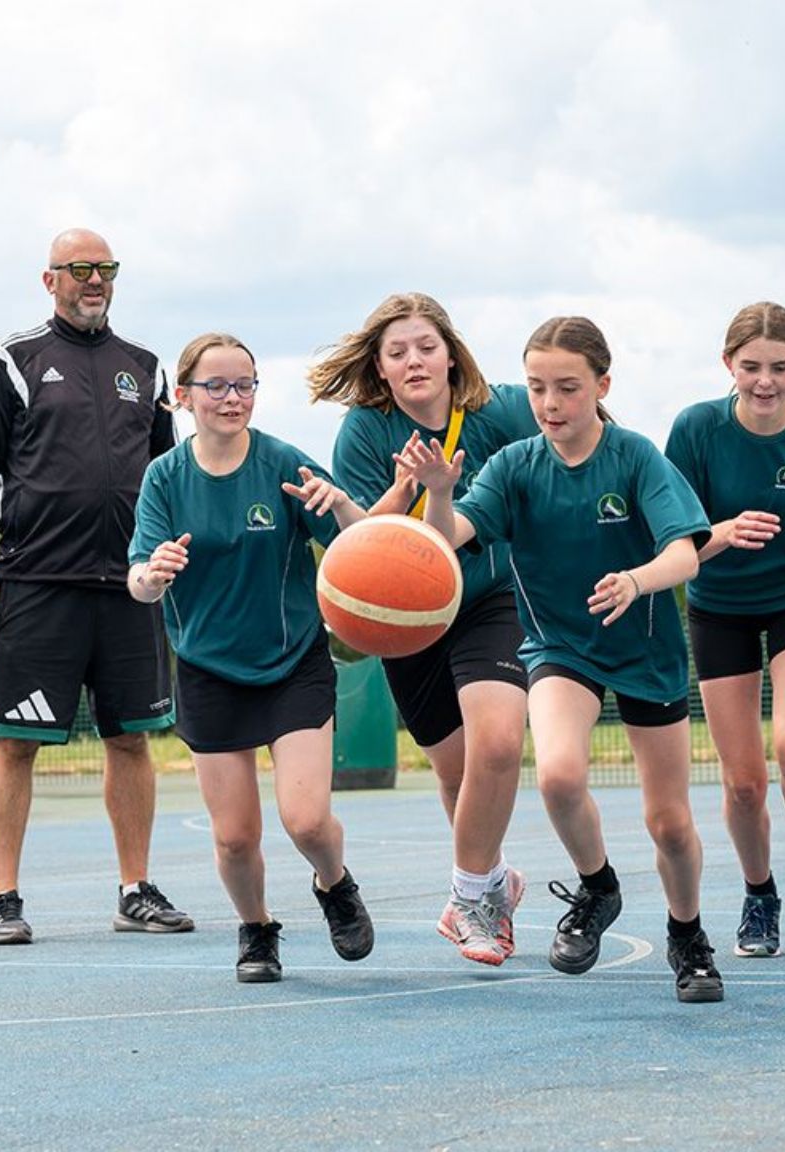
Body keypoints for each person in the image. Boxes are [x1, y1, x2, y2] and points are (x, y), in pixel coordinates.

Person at [402, 316, 724, 1004]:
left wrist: (636, 580)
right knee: (556, 776)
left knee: (669, 824)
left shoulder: (635, 458)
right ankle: (598, 886)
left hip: (645, 651)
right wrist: (437, 491)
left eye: (567, 388)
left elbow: (684, 554)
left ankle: (688, 935)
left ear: (602, 386)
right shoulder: (515, 466)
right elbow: (445, 539)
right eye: (537, 387)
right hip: (559, 647)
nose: (550, 404)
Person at [0, 228, 190, 945]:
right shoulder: (12, 360)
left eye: (105, 268)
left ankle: (135, 889)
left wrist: (170, 560)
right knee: (13, 743)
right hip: (36, 585)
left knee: (131, 740)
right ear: (49, 279)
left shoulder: (144, 367)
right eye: (80, 268)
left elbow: (168, 476)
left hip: (128, 588)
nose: (94, 280)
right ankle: (3, 898)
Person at [130, 332, 375, 983]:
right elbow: (139, 579)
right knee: (234, 837)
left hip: (292, 663)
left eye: (244, 384)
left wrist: (341, 505)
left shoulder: (283, 462)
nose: (232, 397)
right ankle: (258, 928)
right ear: (183, 397)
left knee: (307, 820)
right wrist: (153, 574)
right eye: (215, 386)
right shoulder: (165, 478)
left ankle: (334, 883)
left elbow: (363, 545)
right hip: (209, 671)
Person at [307, 293, 537, 967]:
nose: (414, 361)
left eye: (426, 347)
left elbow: (577, 437)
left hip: (491, 597)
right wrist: (407, 486)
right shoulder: (364, 431)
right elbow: (360, 541)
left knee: (498, 745)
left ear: (451, 355)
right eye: (398, 352)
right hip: (405, 614)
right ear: (379, 367)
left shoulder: (504, 411)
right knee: (457, 770)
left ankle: (467, 897)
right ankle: (493, 881)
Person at [664, 302, 785, 958]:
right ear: (728, 364)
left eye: (780, 367)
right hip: (719, 606)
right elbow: (672, 534)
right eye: (750, 366)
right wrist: (721, 533)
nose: (765, 381)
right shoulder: (695, 429)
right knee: (744, 783)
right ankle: (759, 894)